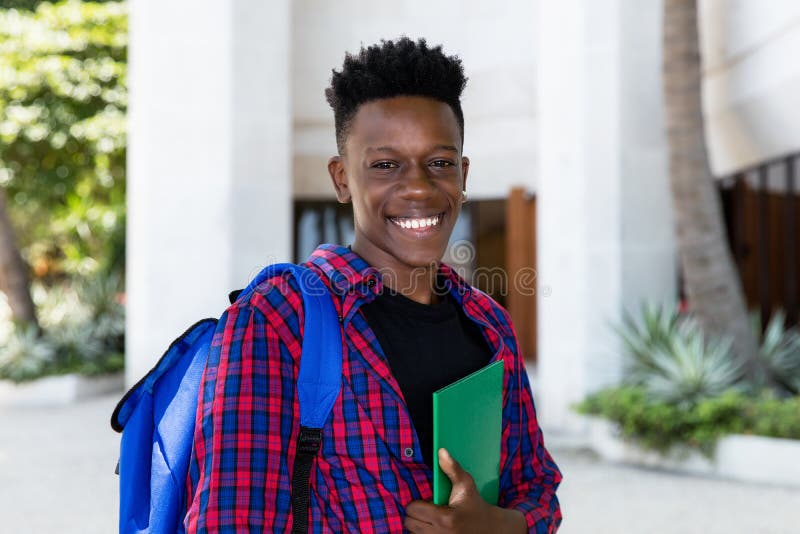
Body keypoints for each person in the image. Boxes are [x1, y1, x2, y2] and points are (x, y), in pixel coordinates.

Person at [184, 37, 562, 533]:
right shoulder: (278, 319)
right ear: (342, 179)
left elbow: (537, 488)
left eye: (441, 163)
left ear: (464, 175)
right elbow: (230, 522)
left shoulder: (489, 324)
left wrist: (497, 526)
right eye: (386, 165)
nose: (420, 187)